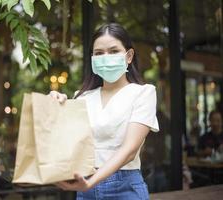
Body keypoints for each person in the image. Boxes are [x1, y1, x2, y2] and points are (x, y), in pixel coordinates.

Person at [49, 23, 159, 199]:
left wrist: (92, 182)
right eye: (99, 53)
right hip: (85, 189)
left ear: (129, 56)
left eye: (114, 51)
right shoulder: (81, 97)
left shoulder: (143, 93)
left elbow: (129, 151)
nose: (106, 57)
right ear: (92, 58)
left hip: (125, 188)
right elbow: (65, 144)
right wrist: (55, 106)